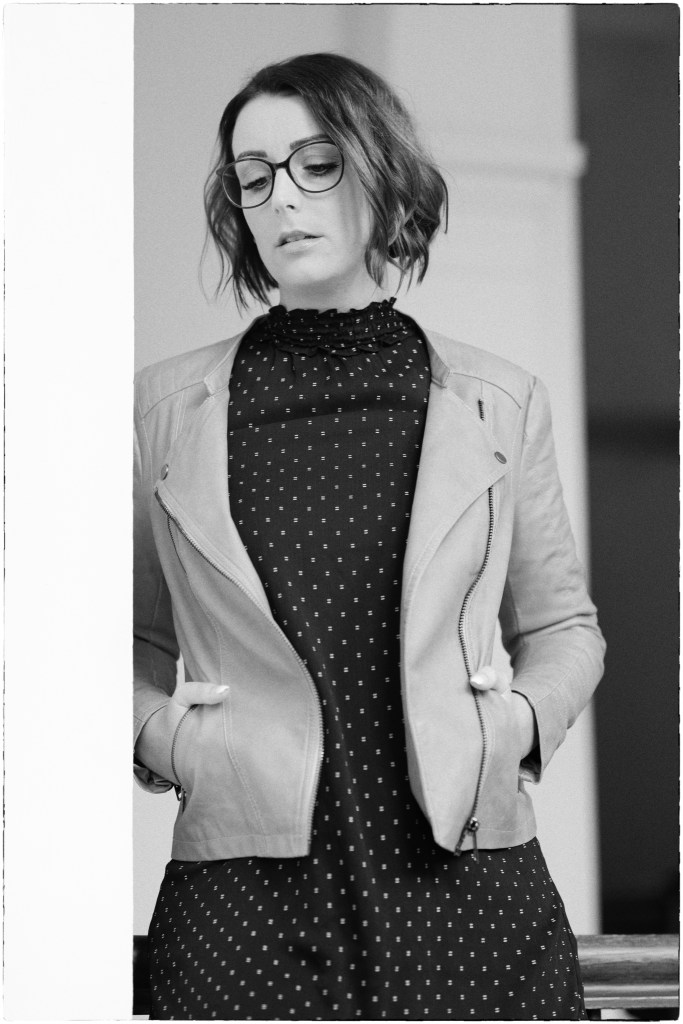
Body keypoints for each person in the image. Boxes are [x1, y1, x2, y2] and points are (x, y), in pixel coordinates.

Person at [134, 52, 605, 1021]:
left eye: (315, 164)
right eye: (253, 175)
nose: (281, 198)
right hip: (242, 903)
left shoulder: (499, 398)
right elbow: (118, 640)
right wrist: (169, 740)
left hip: (468, 885)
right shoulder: (162, 410)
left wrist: (512, 724)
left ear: (380, 169)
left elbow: (563, 627)